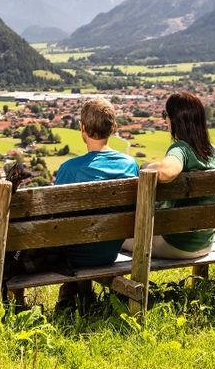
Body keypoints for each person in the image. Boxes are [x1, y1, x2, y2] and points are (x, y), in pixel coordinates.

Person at [50, 97, 139, 312]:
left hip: (74, 255)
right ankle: (83, 295)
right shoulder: (130, 165)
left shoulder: (69, 169)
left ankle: (74, 296)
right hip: (108, 250)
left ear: (82, 128)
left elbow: (54, 219)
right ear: (114, 128)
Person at [126, 91, 215, 259]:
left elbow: (165, 172)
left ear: (173, 120)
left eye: (166, 115)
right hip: (205, 243)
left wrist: (146, 166)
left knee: (114, 238)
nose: (165, 120)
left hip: (177, 244)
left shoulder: (182, 149)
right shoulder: (214, 152)